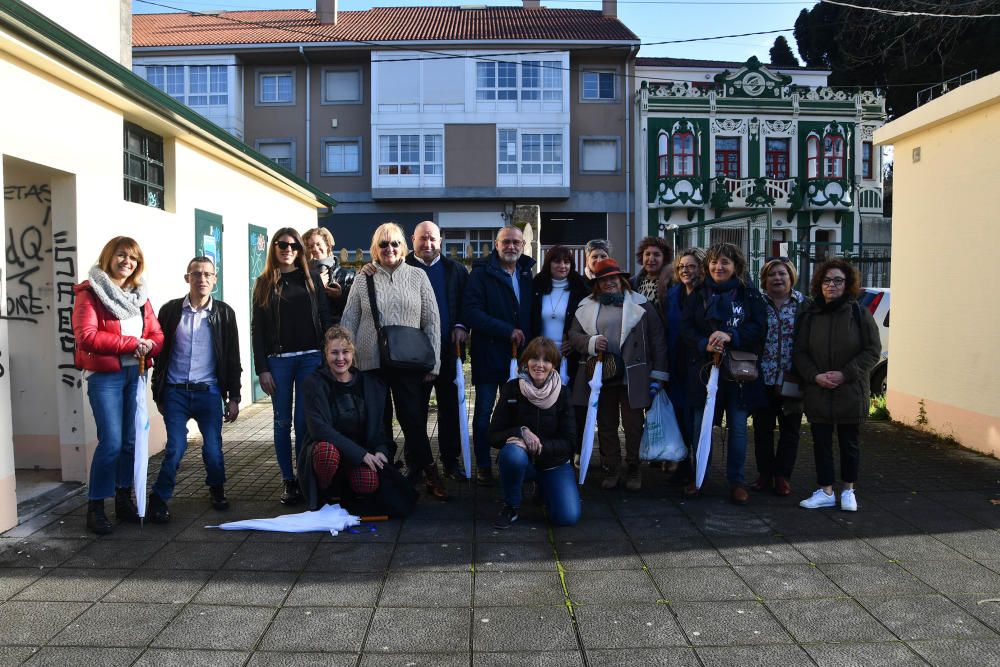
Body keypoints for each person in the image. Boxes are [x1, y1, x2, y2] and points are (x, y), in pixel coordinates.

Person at [341, 222, 445, 498]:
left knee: (413, 420)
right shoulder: (364, 277)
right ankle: (385, 476)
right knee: (378, 422)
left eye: (395, 243)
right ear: (375, 248)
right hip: (370, 361)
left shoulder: (418, 276)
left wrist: (433, 364)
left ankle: (428, 470)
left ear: (404, 246)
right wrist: (345, 357)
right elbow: (350, 318)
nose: (390, 248)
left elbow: (432, 321)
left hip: (408, 361)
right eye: (383, 244)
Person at [72, 236, 164, 535]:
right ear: (109, 256)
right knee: (111, 441)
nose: (127, 262)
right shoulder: (90, 293)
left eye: (133, 258)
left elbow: (157, 334)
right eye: (122, 255)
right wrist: (132, 343)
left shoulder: (140, 295)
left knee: (130, 441)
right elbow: (86, 336)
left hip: (136, 375)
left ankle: (124, 498)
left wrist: (149, 345)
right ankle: (96, 505)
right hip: (106, 377)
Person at [148, 256, 242, 522]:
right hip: (176, 392)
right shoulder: (169, 311)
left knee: (213, 448)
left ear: (215, 279)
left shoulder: (224, 313)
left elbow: (232, 357)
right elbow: (160, 355)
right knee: (175, 447)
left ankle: (216, 488)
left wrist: (234, 396)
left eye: (207, 274)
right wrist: (158, 392)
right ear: (187, 277)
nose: (202, 279)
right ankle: (159, 498)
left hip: (209, 392)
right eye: (196, 274)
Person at [568, 258, 668, 491]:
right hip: (602, 374)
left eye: (613, 278)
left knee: (634, 425)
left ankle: (633, 468)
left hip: (633, 375)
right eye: (603, 280)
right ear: (598, 284)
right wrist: (590, 342)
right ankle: (610, 467)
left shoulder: (641, 304)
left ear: (621, 279)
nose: (609, 283)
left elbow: (658, 340)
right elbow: (573, 334)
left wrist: (659, 375)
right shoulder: (586, 305)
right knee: (605, 424)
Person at [680, 242, 766, 505]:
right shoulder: (698, 294)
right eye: (715, 262)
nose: (719, 267)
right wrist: (703, 342)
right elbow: (685, 328)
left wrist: (731, 335)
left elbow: (759, 329)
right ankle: (699, 477)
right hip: (704, 371)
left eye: (725, 262)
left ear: (736, 266)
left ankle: (737, 481)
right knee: (699, 426)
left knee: (738, 429)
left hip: (739, 374)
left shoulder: (749, 296)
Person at [299, 327, 418, 517]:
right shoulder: (313, 383)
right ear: (325, 354)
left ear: (353, 353)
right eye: (334, 352)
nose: (340, 358)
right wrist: (360, 454)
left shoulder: (371, 384)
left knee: (367, 483)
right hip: (331, 451)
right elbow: (319, 429)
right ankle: (325, 492)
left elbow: (379, 427)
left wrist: (381, 450)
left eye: (345, 352)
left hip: (360, 453)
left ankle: (349, 491)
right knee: (326, 453)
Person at [252, 227, 332, 506]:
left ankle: (305, 476)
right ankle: (288, 480)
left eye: (294, 246)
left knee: (304, 422)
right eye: (282, 244)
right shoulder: (263, 283)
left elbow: (325, 316)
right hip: (279, 362)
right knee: (282, 421)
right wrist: (261, 368)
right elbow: (258, 330)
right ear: (273, 248)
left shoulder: (311, 279)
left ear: (300, 250)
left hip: (311, 357)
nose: (288, 249)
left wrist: (328, 354)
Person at [793, 257, 880, 512]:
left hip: (850, 390)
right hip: (818, 390)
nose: (832, 285)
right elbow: (799, 352)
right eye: (827, 281)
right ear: (819, 284)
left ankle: (849, 491)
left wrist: (845, 374)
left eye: (838, 281)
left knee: (849, 443)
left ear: (847, 284)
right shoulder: (810, 314)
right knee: (821, 442)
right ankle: (826, 490)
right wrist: (814, 376)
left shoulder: (858, 313)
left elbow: (872, 351)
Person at [463, 225, 535, 486]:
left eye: (516, 242)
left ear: (523, 246)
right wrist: (507, 331)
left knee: (519, 412)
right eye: (506, 242)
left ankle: (513, 458)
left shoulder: (527, 273)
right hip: (488, 354)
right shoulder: (481, 274)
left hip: (521, 358)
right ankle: (483, 464)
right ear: (496, 244)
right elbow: (471, 312)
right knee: (484, 412)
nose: (511, 247)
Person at [490, 337, 580, 529]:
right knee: (512, 454)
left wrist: (539, 445)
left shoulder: (563, 393)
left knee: (567, 517)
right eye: (534, 359)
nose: (540, 365)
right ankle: (511, 505)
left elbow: (571, 442)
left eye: (546, 360)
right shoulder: (512, 389)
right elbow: (493, 435)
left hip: (553, 462)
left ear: (554, 365)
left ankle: (544, 488)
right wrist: (521, 432)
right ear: (525, 362)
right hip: (522, 458)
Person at [406, 221, 469, 480]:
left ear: (440, 240)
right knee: (414, 411)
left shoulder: (455, 270)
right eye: (422, 239)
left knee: (450, 409)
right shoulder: (402, 268)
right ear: (413, 240)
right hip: (412, 353)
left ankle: (450, 460)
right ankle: (416, 462)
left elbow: (467, 302)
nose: (428, 244)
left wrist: (461, 324)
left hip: (448, 350)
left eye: (432, 238)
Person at [751, 257, 806, 497]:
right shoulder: (757, 304)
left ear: (791, 276)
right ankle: (765, 474)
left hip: (793, 377)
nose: (777, 278)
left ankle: (782, 476)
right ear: (764, 280)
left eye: (782, 273)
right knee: (762, 429)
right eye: (772, 274)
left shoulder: (804, 305)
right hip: (762, 377)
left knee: (790, 429)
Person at [530, 245, 589, 457]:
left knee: (569, 407)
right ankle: (542, 449)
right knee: (543, 405)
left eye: (567, 262)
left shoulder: (581, 287)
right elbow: (530, 319)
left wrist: (574, 342)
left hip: (569, 357)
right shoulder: (537, 285)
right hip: (541, 357)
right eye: (557, 261)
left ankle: (571, 452)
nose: (562, 266)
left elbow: (588, 323)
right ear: (549, 263)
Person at [663, 247, 706, 484]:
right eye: (681, 266)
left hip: (698, 364)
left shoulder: (707, 295)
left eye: (691, 266)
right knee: (679, 416)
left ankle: (698, 470)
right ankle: (682, 462)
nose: (686, 270)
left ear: (701, 267)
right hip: (675, 362)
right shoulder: (673, 294)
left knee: (696, 420)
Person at [303, 227, 354, 325]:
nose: (315, 249)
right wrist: (315, 285)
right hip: (312, 332)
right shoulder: (303, 276)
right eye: (310, 246)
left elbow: (355, 311)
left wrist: (340, 296)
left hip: (338, 333)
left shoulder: (347, 276)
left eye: (318, 244)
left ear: (327, 245)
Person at [630, 236, 674, 308]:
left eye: (656, 255)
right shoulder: (632, 283)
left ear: (664, 258)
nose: (651, 258)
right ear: (642, 256)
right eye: (647, 254)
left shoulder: (673, 282)